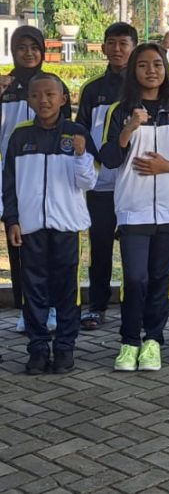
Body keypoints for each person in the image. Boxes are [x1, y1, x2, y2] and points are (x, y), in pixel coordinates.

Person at [100, 43, 169, 371]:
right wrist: (129, 129)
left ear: (165, 69)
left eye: (157, 64)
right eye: (143, 65)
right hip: (133, 210)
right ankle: (129, 341)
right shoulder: (119, 111)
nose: (151, 70)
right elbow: (108, 158)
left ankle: (153, 341)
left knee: (160, 279)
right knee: (135, 279)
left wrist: (168, 167)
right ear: (133, 70)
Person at [2, 73, 97, 374]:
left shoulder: (76, 133)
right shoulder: (20, 135)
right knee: (33, 290)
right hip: (30, 227)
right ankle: (38, 347)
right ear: (29, 100)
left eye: (50, 94)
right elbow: (9, 182)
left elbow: (89, 181)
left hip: (66, 225)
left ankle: (65, 347)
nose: (43, 100)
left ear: (63, 98)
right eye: (36, 95)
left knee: (66, 289)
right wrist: (12, 220)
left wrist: (80, 154)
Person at [1, 26, 71, 334]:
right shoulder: (5, 86)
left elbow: (67, 131)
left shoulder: (53, 85)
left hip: (50, 176)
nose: (28, 53)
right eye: (21, 47)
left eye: (34, 47)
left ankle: (52, 306)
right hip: (15, 178)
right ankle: (26, 309)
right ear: (12, 51)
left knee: (51, 247)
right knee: (20, 248)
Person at [77, 22, 138, 330]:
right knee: (100, 247)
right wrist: (98, 160)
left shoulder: (142, 87)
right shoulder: (92, 89)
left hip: (135, 182)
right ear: (102, 48)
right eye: (111, 43)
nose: (117, 49)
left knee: (133, 249)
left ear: (134, 48)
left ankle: (133, 307)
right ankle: (97, 307)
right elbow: (82, 131)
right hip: (101, 183)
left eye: (123, 43)